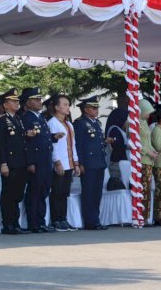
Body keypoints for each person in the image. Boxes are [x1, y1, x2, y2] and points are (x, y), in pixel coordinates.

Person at [20, 87, 58, 233]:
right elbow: (27, 143)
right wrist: (30, 162)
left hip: (45, 158)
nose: (39, 102)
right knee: (34, 192)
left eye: (39, 99)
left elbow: (43, 137)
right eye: (36, 99)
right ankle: (33, 222)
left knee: (43, 191)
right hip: (36, 160)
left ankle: (41, 221)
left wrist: (54, 137)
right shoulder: (26, 118)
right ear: (28, 103)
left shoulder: (40, 117)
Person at [0, 89, 31, 234]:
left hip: (21, 162)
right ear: (5, 104)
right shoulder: (2, 120)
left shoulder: (18, 119)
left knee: (17, 194)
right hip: (10, 163)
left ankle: (15, 223)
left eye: (17, 101)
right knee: (8, 194)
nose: (17, 103)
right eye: (13, 101)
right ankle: (8, 224)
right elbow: (1, 144)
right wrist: (3, 163)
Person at [74, 96, 110, 230]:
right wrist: (81, 163)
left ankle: (96, 219)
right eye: (93, 108)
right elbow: (79, 145)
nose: (96, 110)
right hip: (88, 163)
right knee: (88, 193)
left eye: (97, 108)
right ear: (85, 109)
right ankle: (90, 221)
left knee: (97, 193)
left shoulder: (96, 123)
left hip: (99, 162)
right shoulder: (80, 123)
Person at [46, 94, 79, 232]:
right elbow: (52, 145)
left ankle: (63, 218)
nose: (67, 107)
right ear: (56, 107)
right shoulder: (52, 123)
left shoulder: (68, 123)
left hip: (69, 163)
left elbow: (73, 144)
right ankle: (56, 220)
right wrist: (57, 162)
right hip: (60, 163)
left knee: (65, 192)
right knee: (57, 192)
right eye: (64, 104)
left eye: (68, 104)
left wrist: (76, 163)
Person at [139, 100, 158, 224]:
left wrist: (153, 151)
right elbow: (136, 144)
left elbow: (148, 141)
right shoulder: (134, 123)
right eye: (147, 112)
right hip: (142, 161)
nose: (149, 115)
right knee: (143, 190)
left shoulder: (144, 123)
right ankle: (141, 217)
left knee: (148, 190)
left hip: (149, 161)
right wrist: (148, 152)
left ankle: (146, 217)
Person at [105, 106, 128, 191]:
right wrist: (128, 146)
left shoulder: (119, 129)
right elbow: (116, 145)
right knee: (118, 188)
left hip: (121, 162)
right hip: (117, 163)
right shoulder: (114, 129)